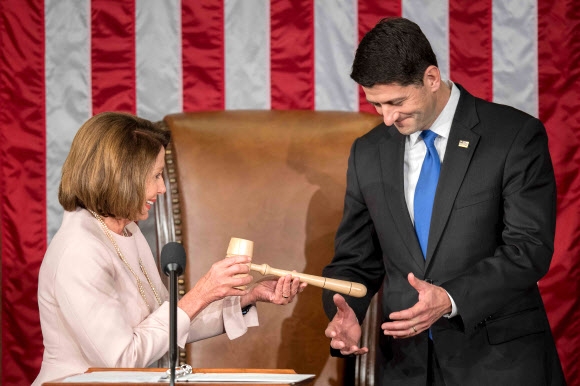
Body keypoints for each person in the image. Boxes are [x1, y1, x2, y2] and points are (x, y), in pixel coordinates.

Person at [322, 17, 566, 385]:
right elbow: (355, 261)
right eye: (376, 105)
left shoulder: (514, 136)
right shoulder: (367, 153)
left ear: (431, 79)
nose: (387, 119)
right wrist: (345, 313)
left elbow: (529, 248)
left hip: (499, 364)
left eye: (396, 102)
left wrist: (450, 297)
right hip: (406, 366)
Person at [33, 112, 306, 385]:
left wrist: (248, 296)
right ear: (122, 176)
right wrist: (201, 293)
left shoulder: (128, 231)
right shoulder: (80, 251)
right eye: (156, 175)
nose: (162, 188)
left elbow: (169, 323)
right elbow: (123, 360)